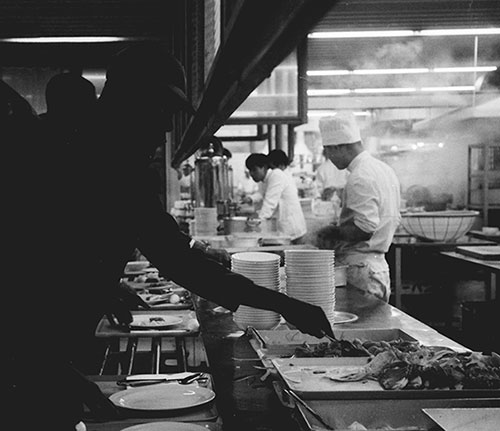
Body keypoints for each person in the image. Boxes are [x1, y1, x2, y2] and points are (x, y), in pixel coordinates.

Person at [7, 43, 333, 430]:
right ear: (128, 101)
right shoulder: (52, 155)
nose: (164, 128)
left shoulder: (116, 165)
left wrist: (100, 283)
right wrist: (45, 367)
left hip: (48, 353)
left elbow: (170, 253)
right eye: (161, 112)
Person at [315, 113, 401, 302]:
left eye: (328, 151)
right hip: (376, 267)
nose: (329, 157)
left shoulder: (360, 176)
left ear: (339, 146)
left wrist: (331, 232)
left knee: (359, 328)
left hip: (361, 269)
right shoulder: (383, 169)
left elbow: (364, 229)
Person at [245, 153, 307, 244]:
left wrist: (257, 222)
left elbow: (270, 203)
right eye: (250, 170)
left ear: (264, 167)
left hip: (291, 225)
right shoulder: (265, 179)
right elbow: (261, 193)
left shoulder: (276, 175)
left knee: (293, 256)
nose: (251, 174)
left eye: (254, 170)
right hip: (282, 225)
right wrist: (250, 198)